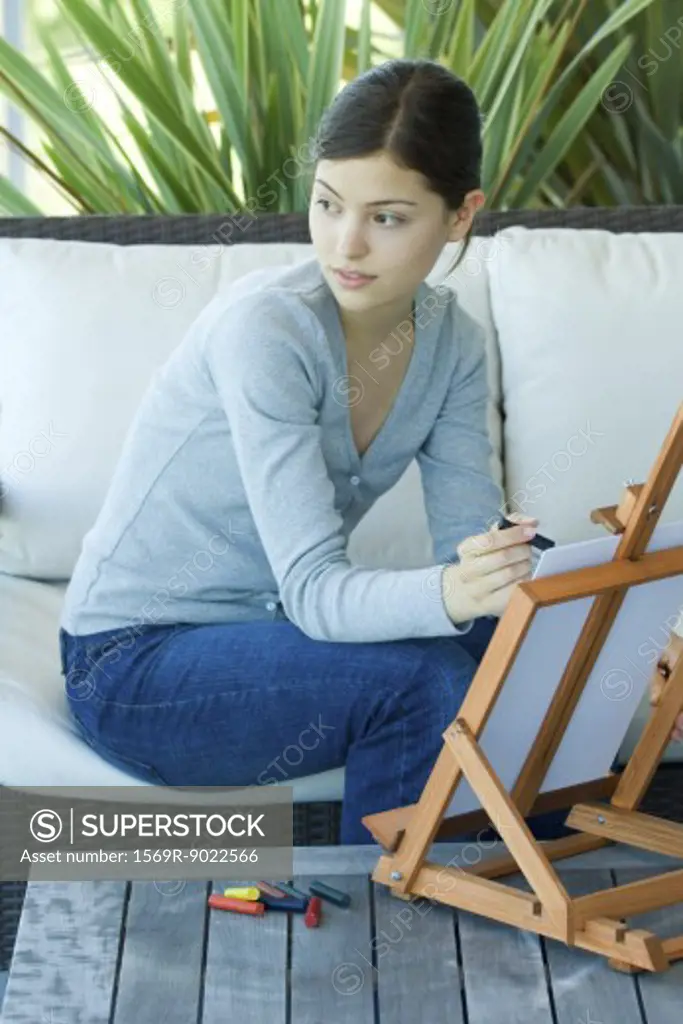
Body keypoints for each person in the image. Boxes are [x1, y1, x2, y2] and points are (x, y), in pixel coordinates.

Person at [58, 58, 567, 845]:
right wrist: (465, 594)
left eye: (388, 217)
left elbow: (469, 546)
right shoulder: (267, 331)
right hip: (137, 664)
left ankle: (555, 880)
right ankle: (398, 930)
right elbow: (315, 594)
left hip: (273, 639)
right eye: (328, 205)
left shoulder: (454, 344)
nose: (346, 244)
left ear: (461, 215)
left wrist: (584, 607)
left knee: (546, 624)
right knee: (423, 680)